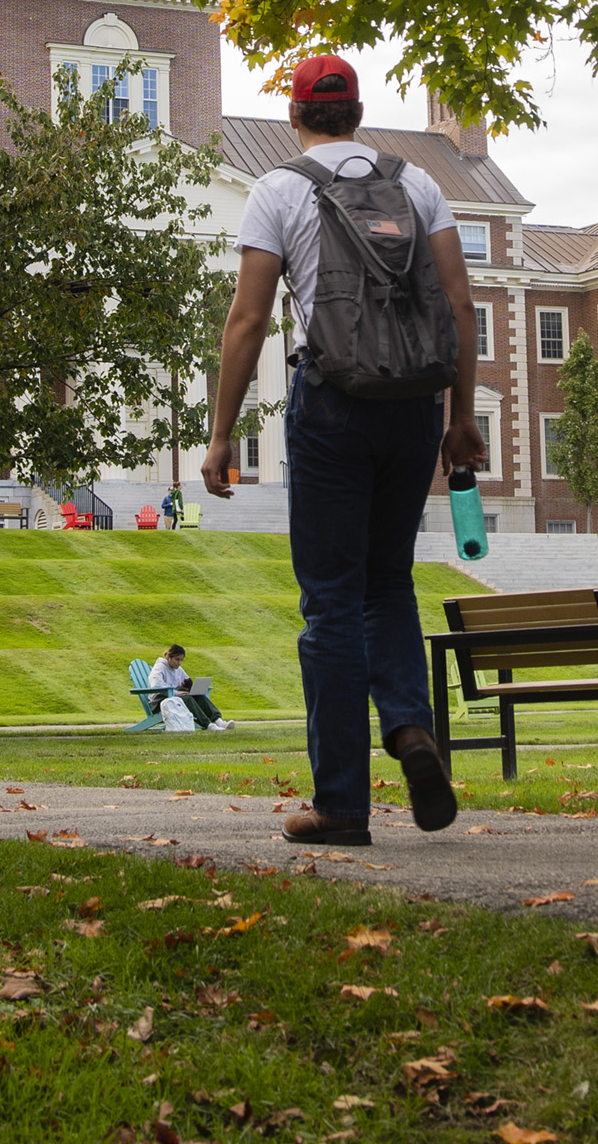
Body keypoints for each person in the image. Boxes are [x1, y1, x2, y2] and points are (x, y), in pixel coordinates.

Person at [199, 52, 478, 849]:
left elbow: (248, 320)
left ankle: (342, 804)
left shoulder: (280, 188)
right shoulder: (418, 184)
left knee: (329, 598)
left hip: (331, 404)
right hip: (414, 407)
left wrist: (223, 434)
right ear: (357, 110)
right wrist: (459, 416)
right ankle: (412, 727)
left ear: (295, 115)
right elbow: (458, 303)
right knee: (387, 580)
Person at [151, 643, 230, 730]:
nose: (179, 663)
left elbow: (186, 680)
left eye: (181, 660)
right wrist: (176, 693)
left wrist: (188, 685)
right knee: (187, 699)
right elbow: (156, 685)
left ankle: (219, 721)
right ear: (169, 657)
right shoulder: (159, 668)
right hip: (160, 702)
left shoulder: (178, 670)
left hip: (174, 699)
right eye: (177, 659)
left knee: (199, 696)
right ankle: (209, 725)